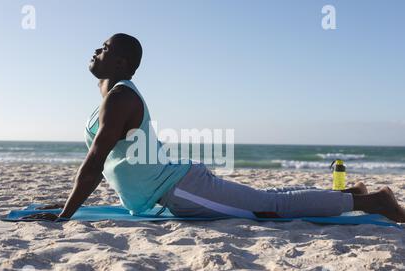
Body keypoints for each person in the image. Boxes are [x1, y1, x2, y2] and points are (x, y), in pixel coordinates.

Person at [24, 33, 405, 223]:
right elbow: (107, 167)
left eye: (104, 47)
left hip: (180, 191)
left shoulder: (121, 99)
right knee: (268, 196)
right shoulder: (110, 100)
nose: (96, 50)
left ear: (123, 63)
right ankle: (353, 191)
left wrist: (65, 217)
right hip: (175, 186)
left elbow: (93, 164)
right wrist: (71, 204)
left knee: (268, 208)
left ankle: (372, 202)